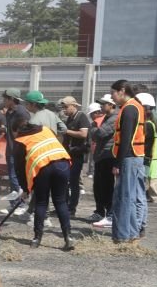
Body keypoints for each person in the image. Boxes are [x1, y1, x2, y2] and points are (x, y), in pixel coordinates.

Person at [13, 123, 74, 249]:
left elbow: (19, 168)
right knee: (61, 201)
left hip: (43, 167)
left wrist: (25, 189)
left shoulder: (20, 141)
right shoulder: (46, 129)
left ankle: (37, 239)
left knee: (41, 202)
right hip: (63, 163)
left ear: (17, 131)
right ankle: (68, 237)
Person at [109, 79, 146, 242]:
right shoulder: (134, 106)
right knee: (129, 196)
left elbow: (126, 139)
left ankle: (123, 235)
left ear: (122, 91)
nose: (112, 97)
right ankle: (131, 234)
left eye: (113, 93)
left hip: (129, 157)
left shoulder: (130, 109)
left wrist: (117, 163)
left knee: (123, 197)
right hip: (134, 156)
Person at [59, 96, 91, 216]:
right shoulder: (70, 118)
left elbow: (83, 134)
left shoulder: (81, 117)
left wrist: (66, 131)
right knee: (66, 181)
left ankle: (71, 208)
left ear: (74, 106)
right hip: (69, 154)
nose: (64, 110)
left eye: (66, 107)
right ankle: (65, 206)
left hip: (77, 154)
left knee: (73, 182)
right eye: (63, 107)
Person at [90, 95, 117, 228]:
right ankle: (106, 213)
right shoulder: (107, 118)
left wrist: (93, 128)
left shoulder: (114, 118)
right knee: (101, 187)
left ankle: (111, 215)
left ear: (111, 105)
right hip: (103, 155)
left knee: (107, 187)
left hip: (108, 156)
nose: (101, 107)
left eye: (104, 104)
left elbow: (99, 134)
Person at [1, 88, 29, 210]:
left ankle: (20, 204)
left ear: (12, 99)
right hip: (10, 148)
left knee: (15, 176)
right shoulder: (9, 112)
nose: (3, 100)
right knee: (12, 176)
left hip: (18, 150)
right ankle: (15, 203)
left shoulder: (22, 113)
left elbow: (26, 132)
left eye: (5, 98)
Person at [138, 93, 157, 204]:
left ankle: (154, 196)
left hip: (149, 156)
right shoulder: (151, 123)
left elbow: (147, 144)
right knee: (151, 177)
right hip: (151, 155)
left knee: (151, 178)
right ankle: (152, 196)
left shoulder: (148, 125)